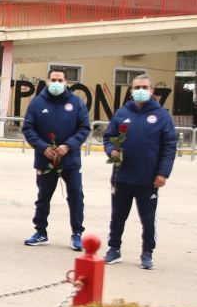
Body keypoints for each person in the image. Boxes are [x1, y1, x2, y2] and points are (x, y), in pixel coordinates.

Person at [103, 75, 177, 270]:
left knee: (148, 218)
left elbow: (169, 146)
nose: (140, 90)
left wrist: (162, 173)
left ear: (152, 91)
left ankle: (147, 253)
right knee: (117, 216)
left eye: (144, 87)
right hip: (122, 177)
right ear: (131, 91)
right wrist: (111, 150)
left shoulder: (162, 116)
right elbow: (108, 137)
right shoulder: (121, 113)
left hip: (148, 179)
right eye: (137, 87)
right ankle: (114, 249)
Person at [21, 67, 90, 250]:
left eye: (60, 80)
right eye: (53, 80)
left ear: (66, 83)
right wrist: (43, 147)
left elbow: (84, 128)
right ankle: (41, 232)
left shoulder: (76, 102)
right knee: (43, 197)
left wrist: (68, 145)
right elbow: (28, 129)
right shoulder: (37, 103)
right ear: (47, 81)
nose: (56, 84)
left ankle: (77, 234)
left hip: (70, 161)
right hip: (45, 160)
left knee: (76, 196)